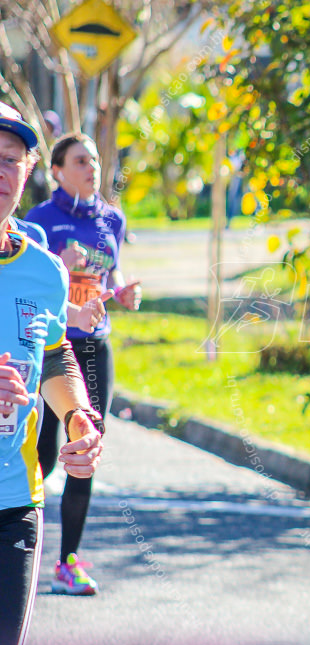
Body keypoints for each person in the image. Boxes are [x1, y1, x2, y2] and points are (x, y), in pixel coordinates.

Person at [0, 102, 103, 645]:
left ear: (29, 170)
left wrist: (78, 418)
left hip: (13, 504)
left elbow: (55, 356)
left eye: (11, 161)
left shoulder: (45, 271)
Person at [25, 132, 139, 596]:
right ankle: (18, 545)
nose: (91, 167)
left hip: (94, 344)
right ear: (56, 171)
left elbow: (113, 275)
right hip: (49, 346)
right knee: (44, 452)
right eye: (79, 161)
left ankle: (67, 562)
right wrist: (58, 262)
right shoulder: (39, 220)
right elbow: (29, 275)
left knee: (84, 447)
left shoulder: (112, 218)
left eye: (94, 159)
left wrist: (126, 291)